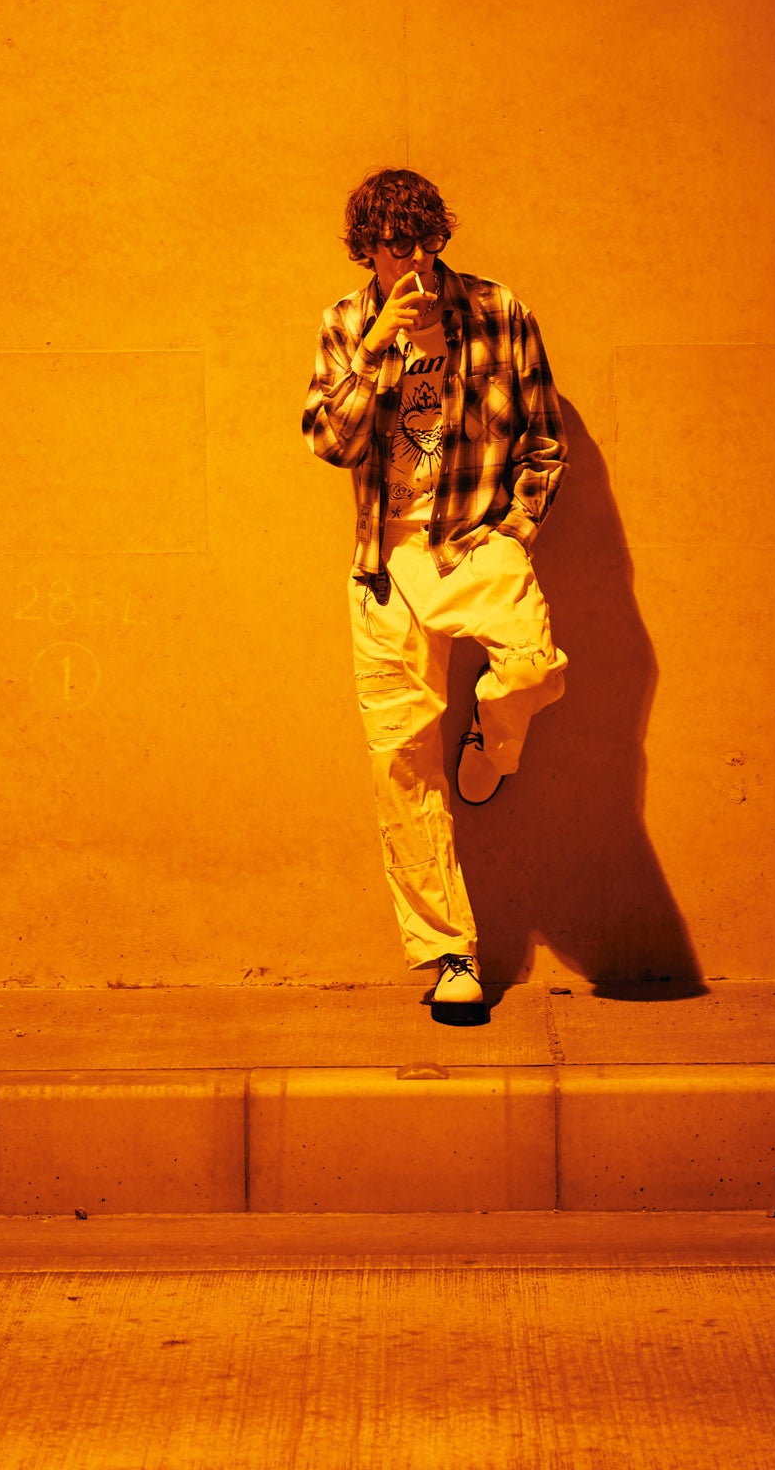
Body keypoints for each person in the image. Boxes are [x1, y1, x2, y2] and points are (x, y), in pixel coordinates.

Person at [302, 167, 569, 1018]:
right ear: (368, 250)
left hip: (473, 542)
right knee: (402, 761)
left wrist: (514, 532)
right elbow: (330, 443)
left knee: (532, 669)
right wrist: (378, 347)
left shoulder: (497, 310)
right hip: (386, 562)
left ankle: (492, 741)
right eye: (394, 246)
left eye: (425, 241)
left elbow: (545, 438)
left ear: (440, 238)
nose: (412, 260)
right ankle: (452, 954)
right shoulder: (346, 325)